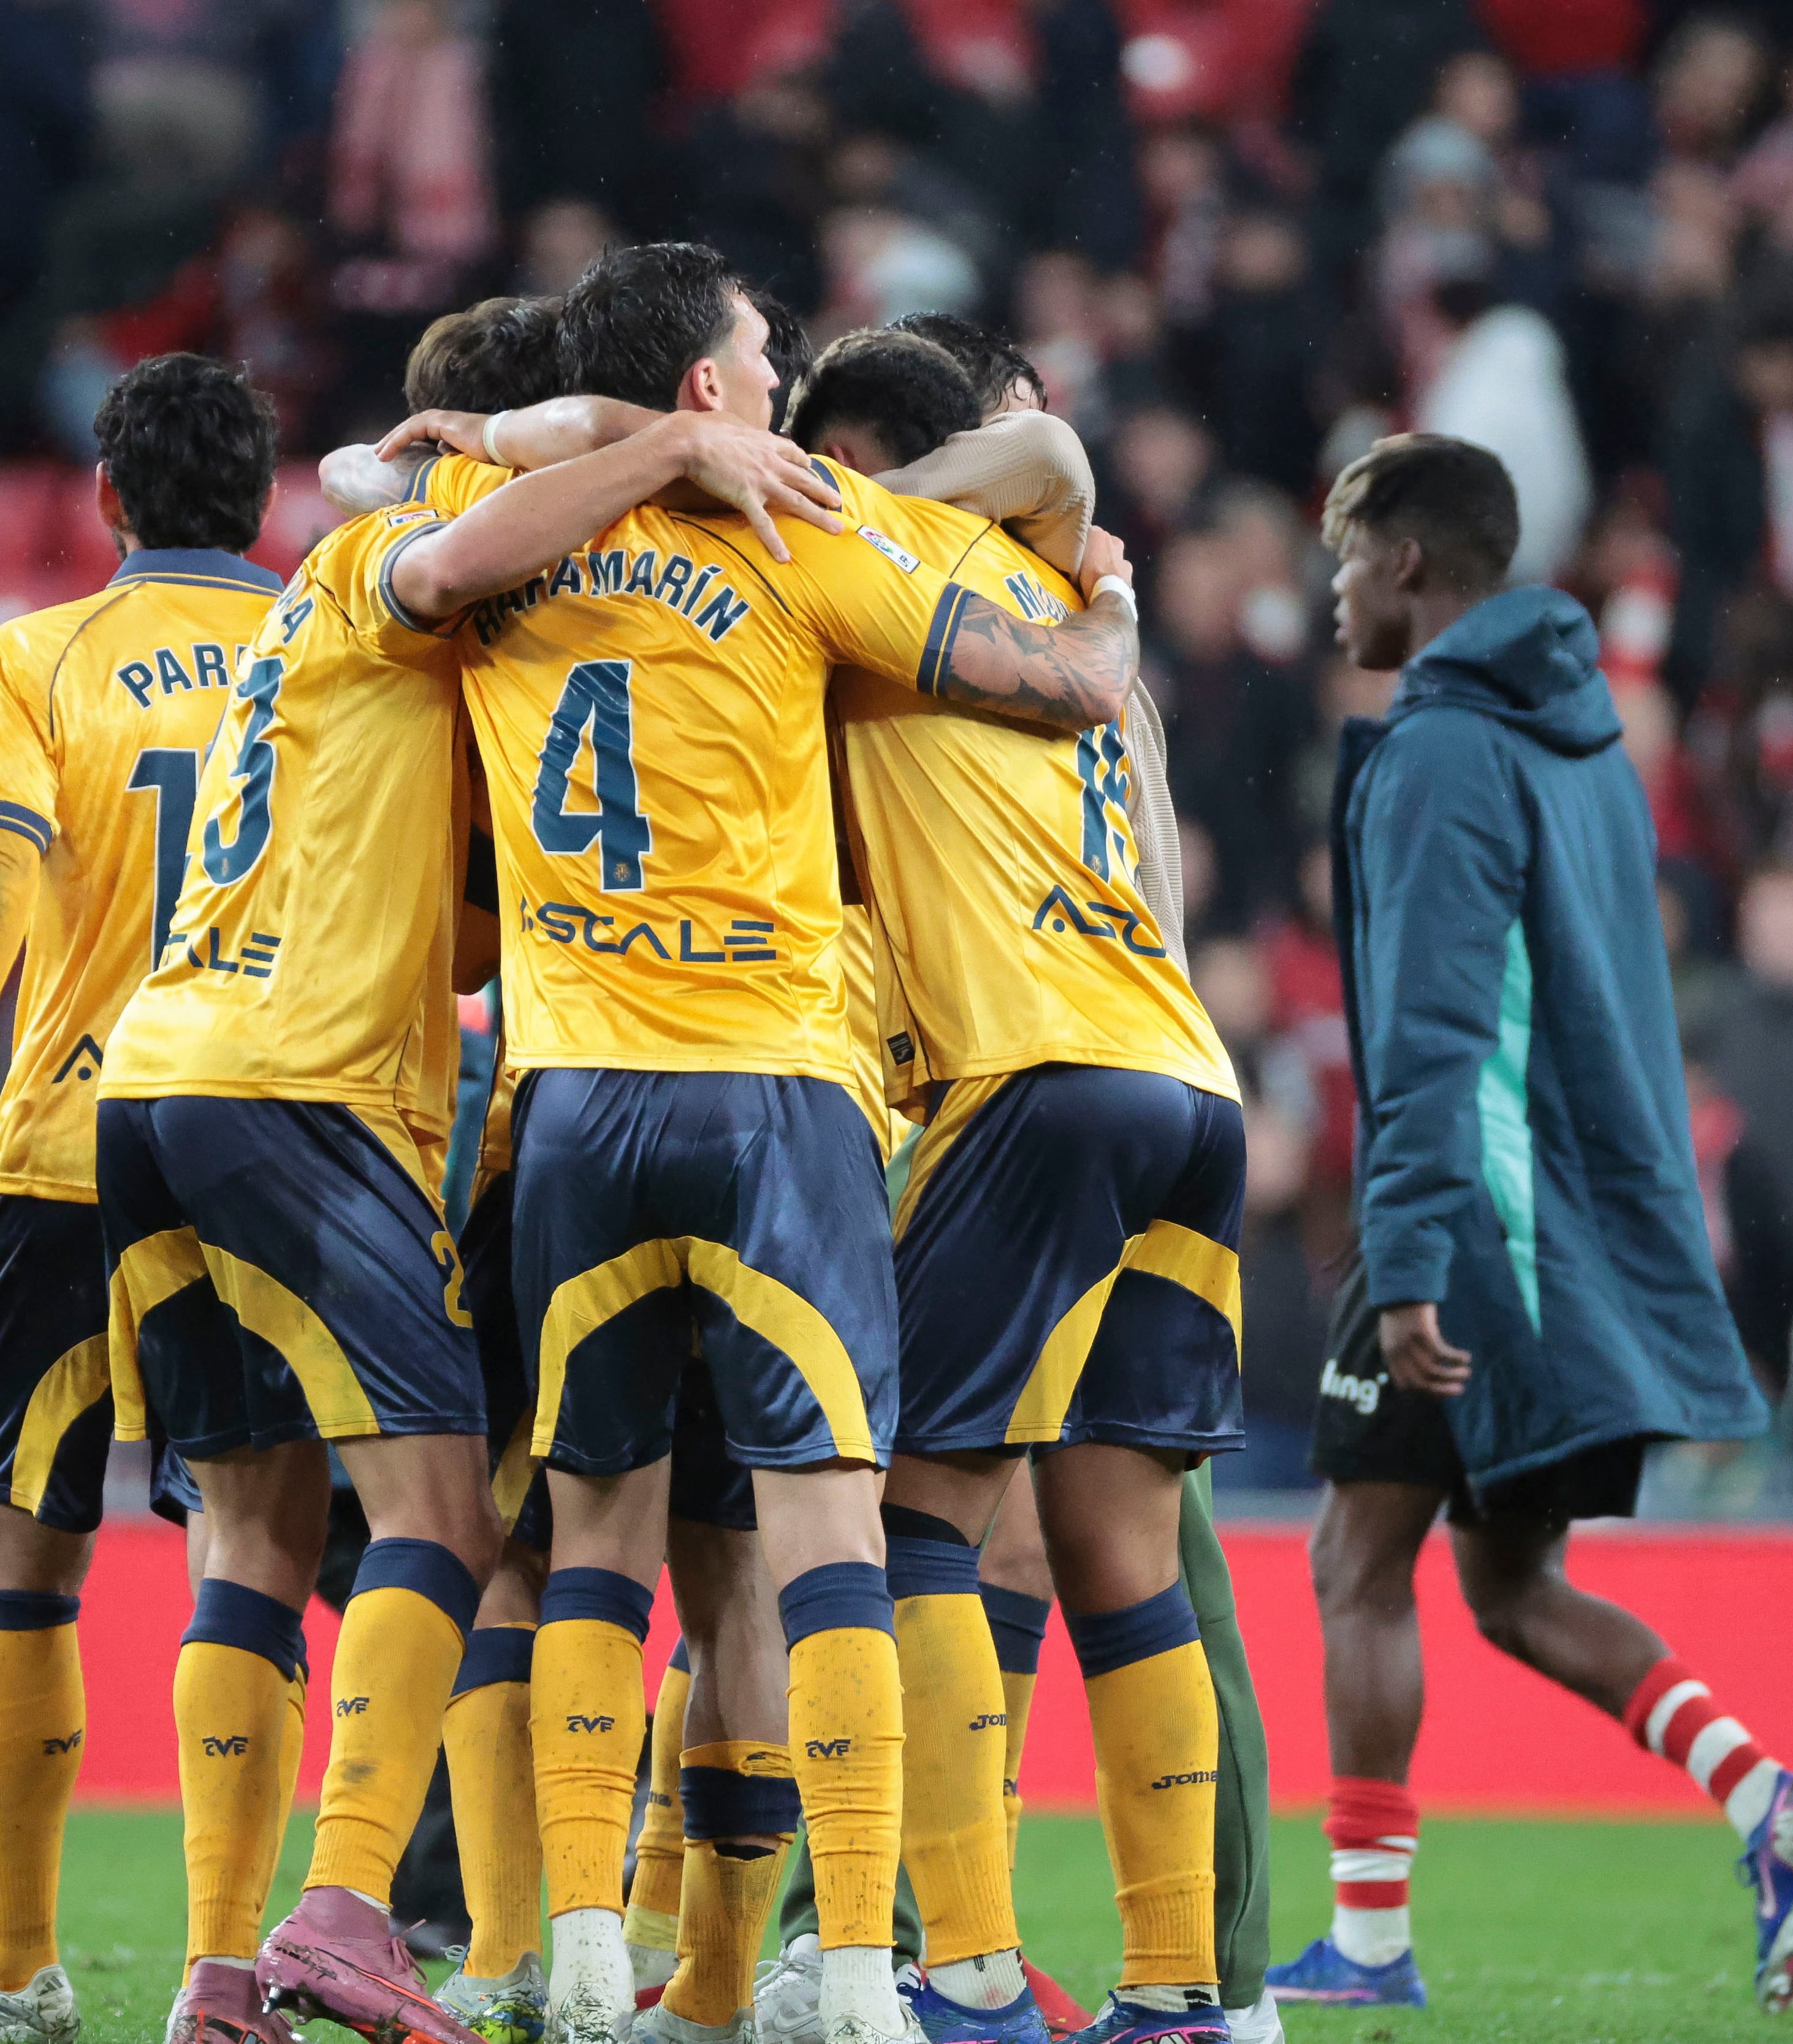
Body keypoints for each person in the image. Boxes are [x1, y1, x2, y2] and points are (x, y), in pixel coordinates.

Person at [95, 286, 839, 2044]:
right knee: (446, 1506)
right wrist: (676, 439)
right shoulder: (412, 553)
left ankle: (220, 1972)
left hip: (163, 1073)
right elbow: (460, 559)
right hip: (298, 1084)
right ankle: (352, 1904)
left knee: (259, 1529)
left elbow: (462, 927)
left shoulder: (307, 615)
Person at [415, 239, 1137, 2044]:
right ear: (714, 389)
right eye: (759, 354)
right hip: (775, 1097)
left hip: (572, 1097)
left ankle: (583, 1946)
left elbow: (390, 516)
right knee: (826, 1533)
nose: (780, 375)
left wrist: (593, 442)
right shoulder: (799, 533)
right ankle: (870, 1981)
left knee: (596, 1535)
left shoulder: (502, 517)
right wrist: (1109, 620)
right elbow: (1055, 684)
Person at [1286, 433, 1793, 2016]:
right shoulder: (1584, 739)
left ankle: (1370, 1944)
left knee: (1356, 1560)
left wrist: (1403, 1261)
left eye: (1345, 556)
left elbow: (1432, 1028)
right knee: (1508, 1585)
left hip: (1466, 1223)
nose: (1330, 592)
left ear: (1409, 561)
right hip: (1564, 1219)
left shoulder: (1445, 748)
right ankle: (1767, 1796)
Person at [0, 353, 285, 2044]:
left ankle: (19, 1967)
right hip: (269, 1144)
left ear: (107, 500)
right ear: (265, 501)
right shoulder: (339, 650)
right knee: (252, 1539)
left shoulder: (37, 656)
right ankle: (220, 1971)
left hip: (70, 1152)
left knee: (28, 1551)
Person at [791, 328, 1241, 2044]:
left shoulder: (873, 571)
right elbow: (1054, 458)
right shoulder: (1075, 615)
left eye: (826, 451)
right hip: (1185, 1081)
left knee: (910, 1516)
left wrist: (848, 507)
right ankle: (1176, 1987)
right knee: (1121, 1547)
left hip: (1037, 1075)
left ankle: (969, 1967)